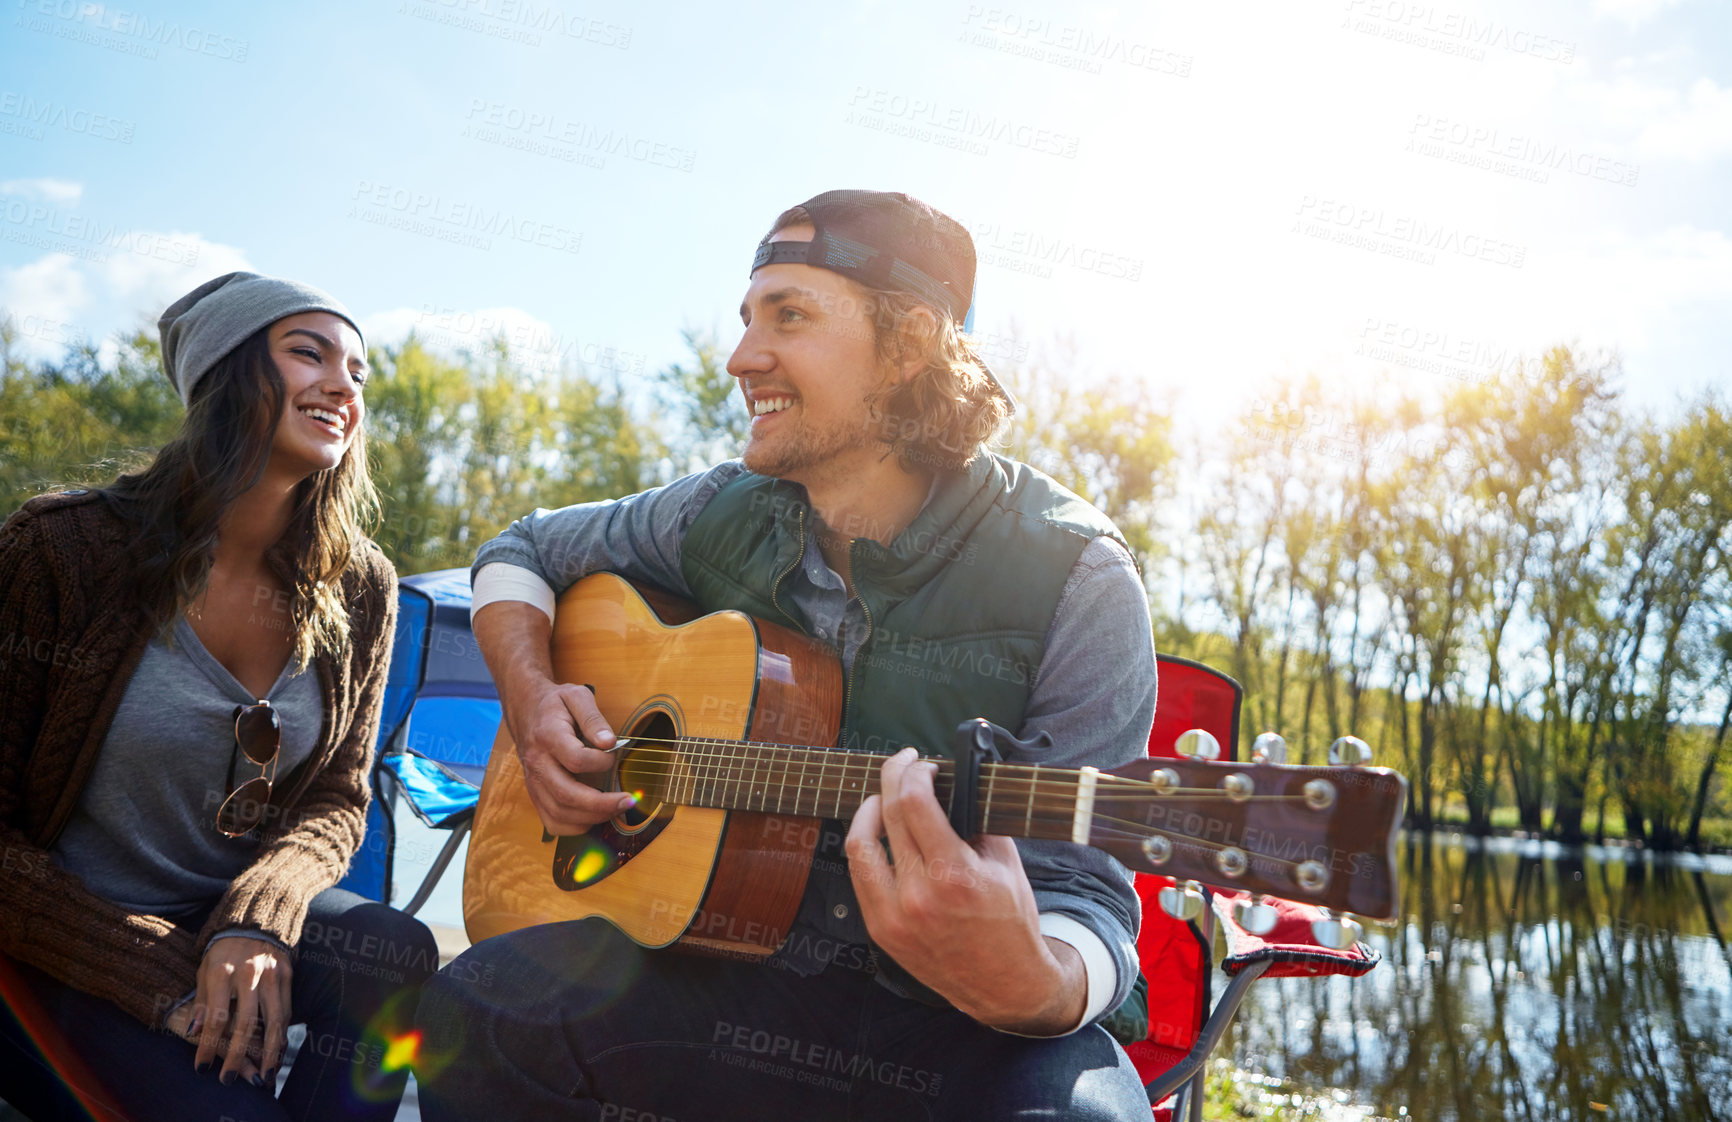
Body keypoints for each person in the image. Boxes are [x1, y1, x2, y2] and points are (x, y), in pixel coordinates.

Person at [416, 190, 1158, 1120]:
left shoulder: (1077, 575)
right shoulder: (715, 511)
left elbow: (1086, 887)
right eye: (746, 319)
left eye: (790, 317)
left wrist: (1035, 985)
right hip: (727, 981)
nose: (740, 359)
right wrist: (531, 704)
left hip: (961, 1028)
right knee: (476, 1013)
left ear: (912, 342)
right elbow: (519, 551)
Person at [0, 272, 437, 1122]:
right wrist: (157, 975)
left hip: (231, 932)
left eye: (358, 370)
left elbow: (339, 802)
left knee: (390, 949)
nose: (343, 385)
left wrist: (257, 920)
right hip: (53, 949)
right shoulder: (62, 551)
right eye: (308, 353)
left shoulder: (361, 587)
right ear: (225, 375)